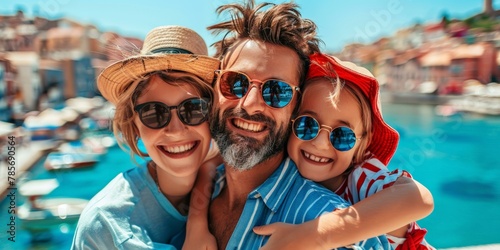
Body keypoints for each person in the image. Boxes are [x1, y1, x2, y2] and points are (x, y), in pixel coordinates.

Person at [184, 1, 391, 249]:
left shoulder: (324, 221)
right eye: (235, 83)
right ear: (214, 89)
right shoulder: (202, 184)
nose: (250, 104)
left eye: (276, 91)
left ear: (296, 109)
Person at [253, 53, 435, 249]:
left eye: (342, 136)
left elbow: (420, 199)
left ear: (362, 145)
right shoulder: (283, 166)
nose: (321, 144)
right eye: (307, 125)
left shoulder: (361, 179)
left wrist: (314, 235)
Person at [70, 25, 220, 249]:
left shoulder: (231, 175)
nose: (176, 130)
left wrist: (196, 220)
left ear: (213, 115)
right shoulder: (106, 226)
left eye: (194, 109)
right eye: (154, 113)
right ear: (134, 123)